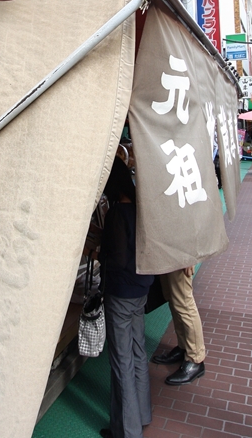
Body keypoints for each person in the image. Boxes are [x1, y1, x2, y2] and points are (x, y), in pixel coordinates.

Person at [99, 157, 153, 438]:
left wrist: (100, 250)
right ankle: (142, 414)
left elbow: (118, 258)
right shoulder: (142, 208)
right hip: (141, 289)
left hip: (120, 293)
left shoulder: (118, 214)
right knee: (138, 352)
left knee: (121, 360)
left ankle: (127, 432)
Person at [150, 264, 209, 385]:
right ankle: (184, 347)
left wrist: (189, 257)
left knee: (184, 304)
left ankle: (195, 358)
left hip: (180, 255)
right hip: (169, 253)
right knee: (172, 297)